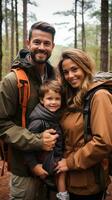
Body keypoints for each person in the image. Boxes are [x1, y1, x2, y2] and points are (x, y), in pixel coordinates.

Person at [0, 21, 59, 200]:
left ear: (53, 46)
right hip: (23, 169)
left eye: (47, 43)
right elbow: (2, 123)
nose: (42, 47)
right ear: (28, 43)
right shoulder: (13, 80)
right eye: (37, 42)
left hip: (53, 167)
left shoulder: (55, 78)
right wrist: (37, 141)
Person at [55, 48, 112, 200]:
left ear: (85, 67)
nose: (70, 76)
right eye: (66, 72)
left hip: (88, 182)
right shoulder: (75, 96)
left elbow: (103, 142)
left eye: (74, 69)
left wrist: (70, 162)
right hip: (70, 178)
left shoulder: (99, 96)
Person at [24, 80, 69, 200]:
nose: (53, 102)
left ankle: (61, 194)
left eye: (57, 99)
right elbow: (27, 146)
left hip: (55, 158)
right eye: (49, 99)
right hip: (45, 164)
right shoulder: (38, 121)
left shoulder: (54, 116)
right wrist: (34, 165)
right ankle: (63, 195)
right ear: (41, 100)